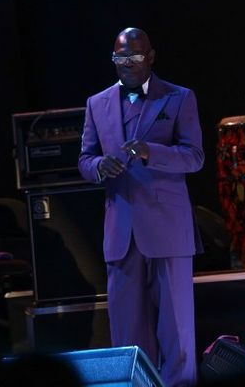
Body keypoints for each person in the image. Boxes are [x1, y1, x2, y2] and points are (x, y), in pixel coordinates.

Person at [78, 27, 204, 387]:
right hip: (121, 232)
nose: (127, 65)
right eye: (120, 59)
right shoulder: (97, 103)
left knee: (177, 335)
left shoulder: (179, 98)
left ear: (150, 57)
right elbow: (85, 158)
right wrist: (99, 167)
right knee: (128, 336)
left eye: (134, 58)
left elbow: (194, 157)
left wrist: (151, 152)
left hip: (168, 229)